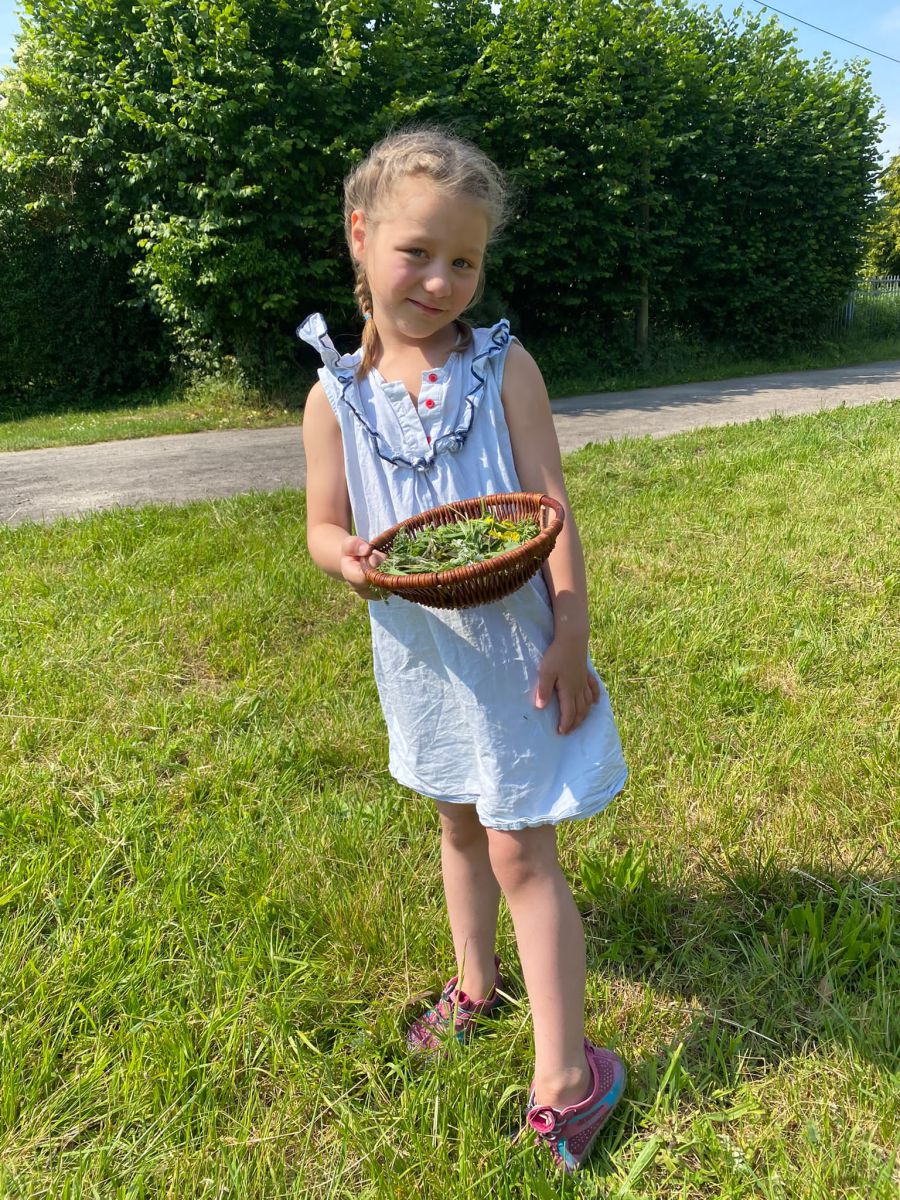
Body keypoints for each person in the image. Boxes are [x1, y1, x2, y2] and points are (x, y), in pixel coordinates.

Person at [298, 125, 628, 1174]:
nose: (442, 281)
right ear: (361, 236)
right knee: (456, 821)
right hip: (422, 660)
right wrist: (347, 559)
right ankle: (477, 985)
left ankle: (568, 1076)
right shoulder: (335, 397)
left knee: (520, 845)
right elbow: (322, 524)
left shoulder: (502, 366)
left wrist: (570, 630)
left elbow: (550, 506)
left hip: (515, 653)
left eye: (466, 261)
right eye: (418, 252)